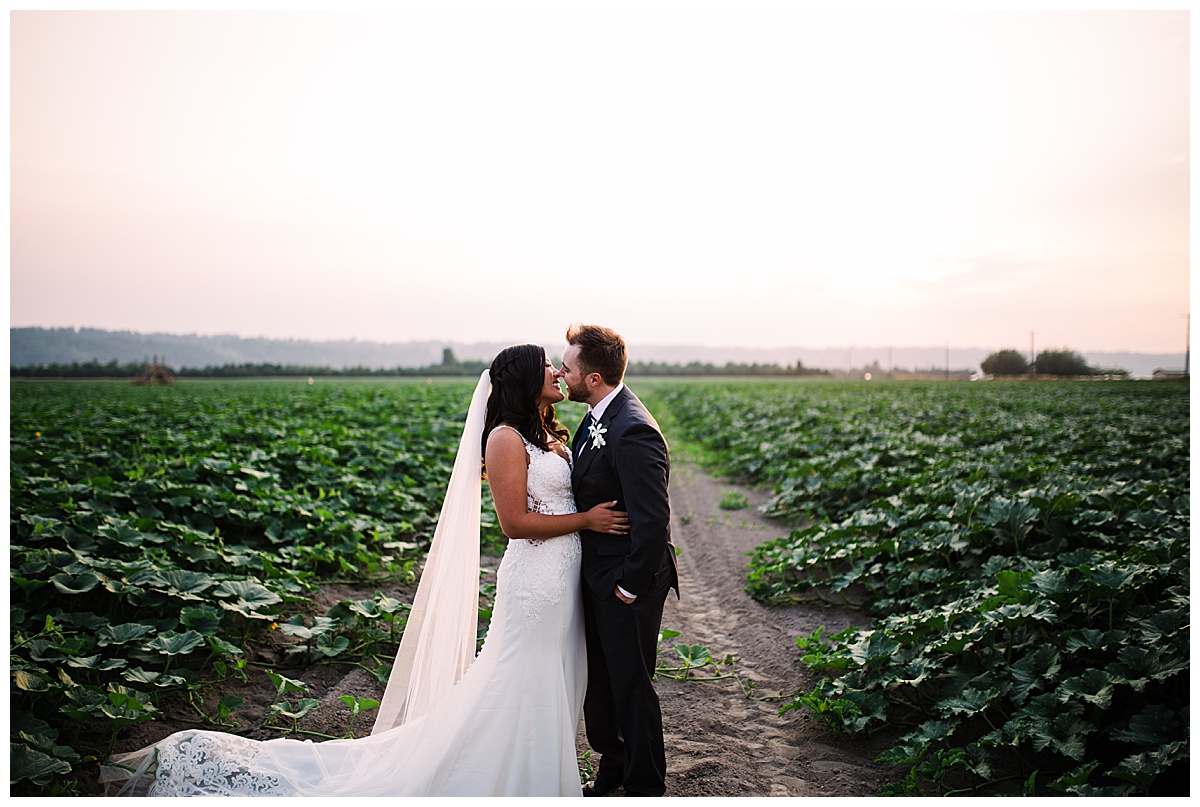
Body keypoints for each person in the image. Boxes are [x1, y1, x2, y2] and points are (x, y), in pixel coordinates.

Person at [101, 344, 628, 797]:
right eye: (548, 366)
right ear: (522, 379)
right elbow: (514, 523)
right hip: (535, 582)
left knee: (554, 678)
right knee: (520, 680)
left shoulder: (549, 433)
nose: (558, 373)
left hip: (561, 580)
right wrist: (589, 519)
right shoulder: (506, 438)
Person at [559, 324, 679, 798]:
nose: (559, 372)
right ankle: (613, 771)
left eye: (566, 367)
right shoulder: (597, 416)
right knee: (604, 686)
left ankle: (644, 787)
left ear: (591, 378)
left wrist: (628, 585)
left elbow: (652, 522)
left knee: (631, 687)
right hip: (600, 576)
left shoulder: (632, 429)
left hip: (628, 583)